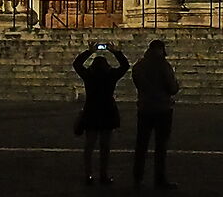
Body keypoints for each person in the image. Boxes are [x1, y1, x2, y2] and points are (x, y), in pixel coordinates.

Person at [73, 41, 130, 185]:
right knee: (105, 146)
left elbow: (77, 64)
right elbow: (125, 65)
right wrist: (115, 51)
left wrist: (89, 51)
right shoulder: (111, 76)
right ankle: (103, 174)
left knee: (89, 145)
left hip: (91, 110)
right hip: (107, 110)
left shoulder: (89, 76)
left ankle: (88, 174)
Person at [131, 39, 180, 188]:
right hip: (162, 108)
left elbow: (137, 82)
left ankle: (137, 177)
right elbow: (172, 88)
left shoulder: (139, 66)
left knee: (141, 144)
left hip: (145, 107)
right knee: (161, 146)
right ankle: (159, 178)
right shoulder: (163, 66)